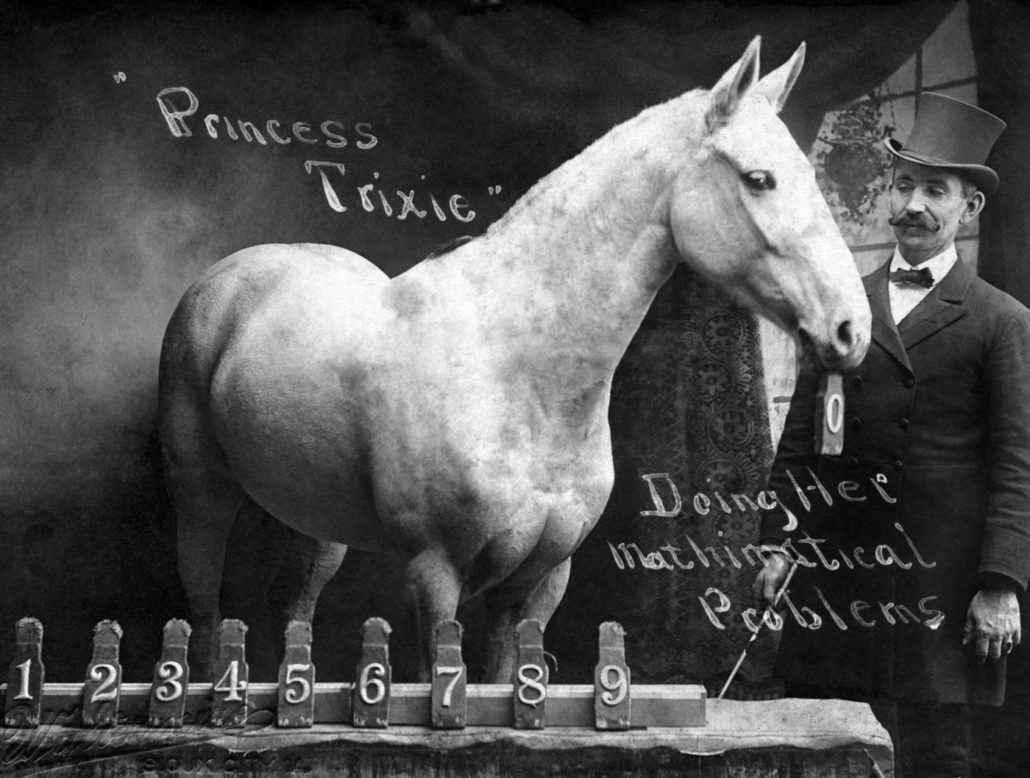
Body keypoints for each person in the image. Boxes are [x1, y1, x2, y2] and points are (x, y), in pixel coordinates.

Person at [754, 93, 1030, 777]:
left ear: (970, 209)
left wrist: (1001, 584)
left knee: (938, 755)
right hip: (838, 575)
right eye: (904, 185)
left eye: (935, 191)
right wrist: (775, 542)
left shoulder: (1002, 321)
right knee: (830, 750)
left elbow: (1018, 461)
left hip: (942, 578)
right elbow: (809, 440)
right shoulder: (846, 306)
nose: (913, 205)